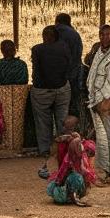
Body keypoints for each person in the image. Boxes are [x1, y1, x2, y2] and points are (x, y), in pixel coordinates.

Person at [87, 24, 110, 185]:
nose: (106, 37)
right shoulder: (99, 53)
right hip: (96, 101)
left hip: (106, 101)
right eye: (103, 34)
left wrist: (101, 98)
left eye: (109, 34)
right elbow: (92, 76)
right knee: (102, 139)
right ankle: (105, 171)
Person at [30, 25, 72, 156]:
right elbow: (69, 66)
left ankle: (45, 149)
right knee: (62, 119)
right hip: (62, 88)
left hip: (42, 90)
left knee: (43, 120)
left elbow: (36, 70)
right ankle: (64, 149)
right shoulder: (64, 48)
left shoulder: (37, 49)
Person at [46, 133, 96, 206]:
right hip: (65, 188)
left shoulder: (78, 154)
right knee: (76, 178)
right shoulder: (71, 160)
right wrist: (76, 201)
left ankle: (71, 195)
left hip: (66, 183)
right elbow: (63, 175)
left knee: (80, 177)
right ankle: (71, 196)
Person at [55, 13, 83, 116]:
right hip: (71, 77)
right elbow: (77, 56)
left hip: (53, 79)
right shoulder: (75, 34)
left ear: (57, 21)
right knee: (71, 109)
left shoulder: (52, 31)